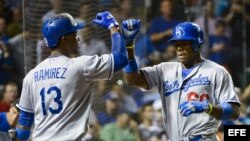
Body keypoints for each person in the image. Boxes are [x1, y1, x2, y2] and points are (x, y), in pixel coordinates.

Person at [15, 11, 129, 140]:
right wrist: (114, 27)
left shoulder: (31, 76)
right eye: (74, 33)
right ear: (64, 39)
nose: (78, 37)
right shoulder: (79, 66)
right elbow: (120, 59)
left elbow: (24, 126)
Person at [122, 19, 240, 140]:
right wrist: (129, 46)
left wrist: (207, 107)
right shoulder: (164, 70)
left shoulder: (216, 71)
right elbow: (132, 80)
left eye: (184, 43)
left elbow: (234, 112)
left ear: (197, 43)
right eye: (176, 43)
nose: (178, 48)